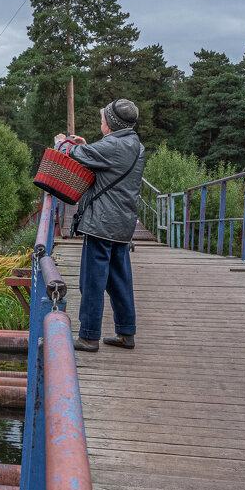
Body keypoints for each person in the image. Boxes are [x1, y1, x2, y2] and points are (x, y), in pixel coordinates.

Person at [54, 98, 145, 352]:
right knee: (119, 280)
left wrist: (61, 142)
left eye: (103, 119)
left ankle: (89, 336)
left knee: (92, 281)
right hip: (123, 224)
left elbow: (70, 154)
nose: (101, 122)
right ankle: (126, 333)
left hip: (102, 224)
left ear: (112, 124)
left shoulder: (112, 145)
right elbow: (103, 156)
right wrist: (89, 146)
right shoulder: (136, 145)